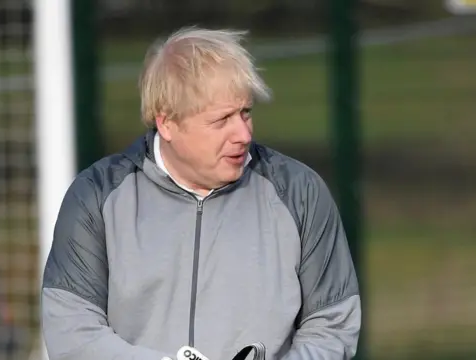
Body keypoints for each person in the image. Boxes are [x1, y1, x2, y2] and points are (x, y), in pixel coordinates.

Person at [41, 26, 361, 360]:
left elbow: (332, 324)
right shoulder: (96, 196)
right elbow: (72, 329)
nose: (242, 133)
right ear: (166, 124)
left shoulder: (300, 193)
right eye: (222, 119)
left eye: (245, 112)